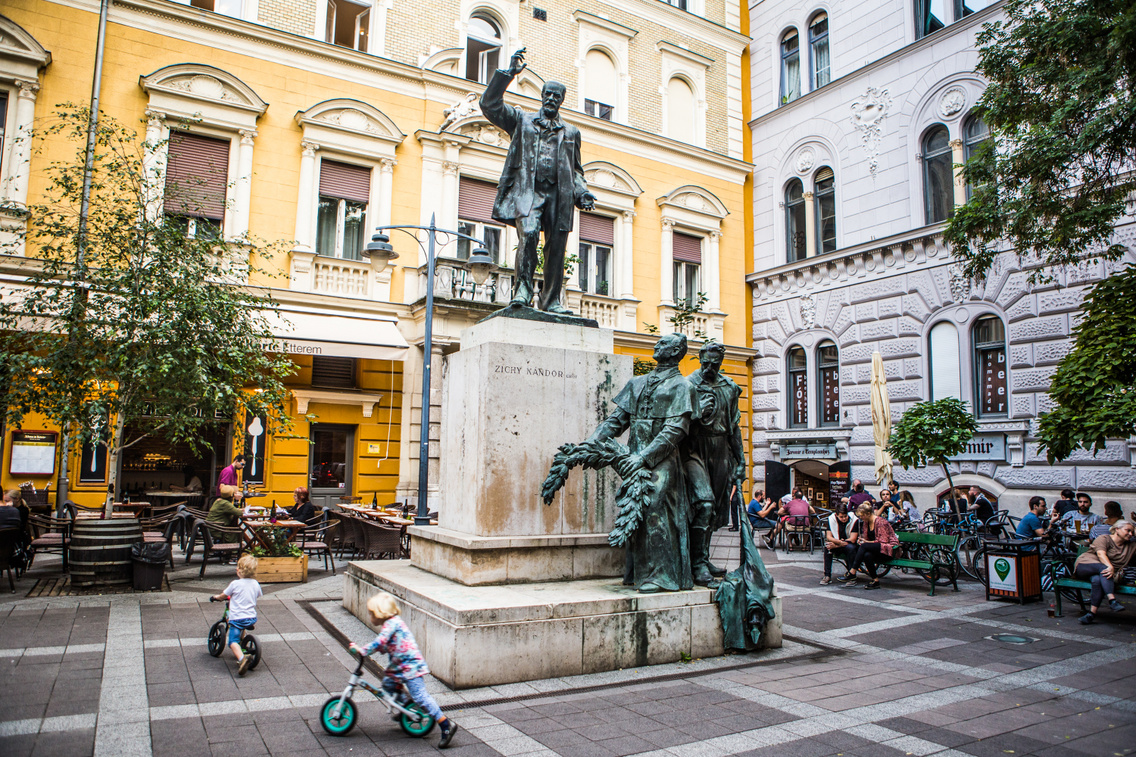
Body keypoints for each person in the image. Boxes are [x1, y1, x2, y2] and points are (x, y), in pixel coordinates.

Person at [479, 48, 596, 314]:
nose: (552, 99)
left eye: (557, 96)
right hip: (529, 193)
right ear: (542, 97)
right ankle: (522, 290)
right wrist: (507, 74)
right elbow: (489, 105)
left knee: (556, 248)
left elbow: (576, 170)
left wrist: (583, 193)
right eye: (548, 94)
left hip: (559, 196)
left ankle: (550, 299)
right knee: (529, 235)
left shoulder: (572, 132)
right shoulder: (523, 121)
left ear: (562, 100)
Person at [582, 333, 699, 593]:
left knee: (654, 505)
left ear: (677, 351)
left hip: (662, 460)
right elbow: (615, 421)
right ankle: (640, 572)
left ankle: (662, 576)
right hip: (634, 457)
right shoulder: (637, 383)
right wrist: (591, 443)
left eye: (664, 343)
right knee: (635, 508)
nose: (657, 345)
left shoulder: (682, 386)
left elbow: (675, 430)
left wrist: (644, 457)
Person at [350, 592, 458, 748]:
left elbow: (380, 641)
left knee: (420, 696)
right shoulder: (392, 623)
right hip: (399, 666)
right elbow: (386, 645)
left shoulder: (391, 625)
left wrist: (363, 650)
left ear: (381, 614)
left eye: (371, 614)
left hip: (410, 666)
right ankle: (405, 708)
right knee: (388, 684)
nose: (370, 616)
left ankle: (446, 724)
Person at [682, 342, 745, 584]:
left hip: (721, 451)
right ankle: (695, 563)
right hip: (694, 449)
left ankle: (703, 556)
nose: (709, 367)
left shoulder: (729, 387)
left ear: (721, 362)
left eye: (714, 364)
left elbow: (734, 427)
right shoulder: (688, 385)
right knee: (703, 504)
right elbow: (676, 425)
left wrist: (741, 462)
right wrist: (696, 414)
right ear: (699, 359)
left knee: (716, 511)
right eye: (705, 363)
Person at [1074, 520, 1135, 625]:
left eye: (1132, 532)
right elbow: (1101, 554)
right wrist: (1110, 566)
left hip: (1103, 573)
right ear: (1117, 529)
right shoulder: (1104, 538)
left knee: (1097, 579)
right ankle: (1112, 600)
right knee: (1104, 569)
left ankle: (1091, 614)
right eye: (1127, 530)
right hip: (1085, 565)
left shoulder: (1131, 546)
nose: (1130, 534)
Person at [211, 554, 262, 676]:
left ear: (238, 571)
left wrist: (216, 597)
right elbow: (258, 595)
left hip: (237, 618)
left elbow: (223, 595)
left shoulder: (235, 584)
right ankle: (243, 641)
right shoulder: (255, 583)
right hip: (251, 617)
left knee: (232, 641)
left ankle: (242, 659)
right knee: (242, 626)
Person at [837, 502, 899, 590]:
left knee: (864, 546)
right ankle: (875, 580)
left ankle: (852, 571)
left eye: (862, 516)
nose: (861, 518)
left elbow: (884, 541)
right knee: (867, 555)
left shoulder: (881, 522)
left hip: (888, 548)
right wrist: (862, 540)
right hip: (876, 548)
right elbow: (867, 539)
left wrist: (866, 542)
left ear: (868, 514)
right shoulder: (867, 522)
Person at [821, 503, 859, 585]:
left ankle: (851, 576)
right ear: (836, 515)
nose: (844, 519)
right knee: (827, 547)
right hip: (838, 543)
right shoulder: (831, 519)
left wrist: (838, 544)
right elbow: (829, 536)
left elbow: (853, 539)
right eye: (841, 517)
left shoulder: (854, 520)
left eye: (845, 516)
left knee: (851, 548)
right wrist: (838, 543)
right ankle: (827, 575)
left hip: (849, 544)